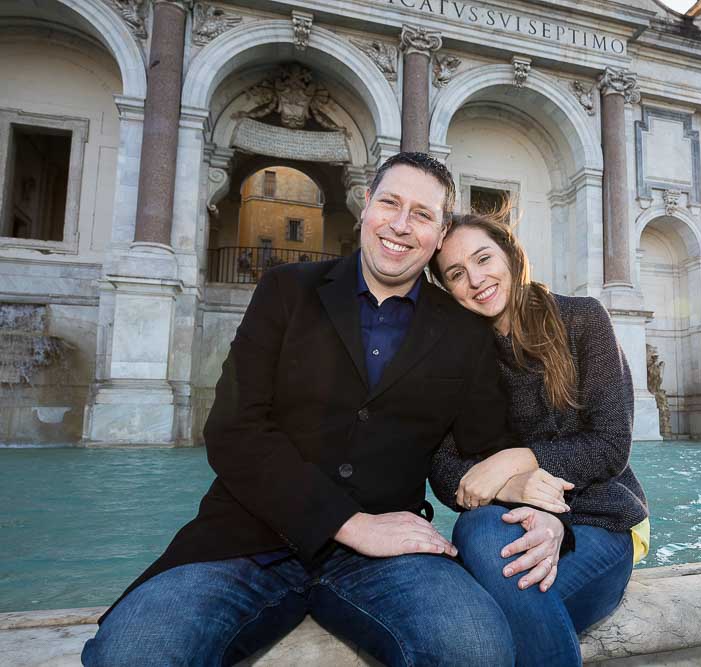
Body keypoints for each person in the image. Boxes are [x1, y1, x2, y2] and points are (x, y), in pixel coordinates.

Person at [82, 153, 557, 666]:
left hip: (389, 556)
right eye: (390, 203)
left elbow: (481, 454)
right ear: (364, 209)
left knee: (477, 649)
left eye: (422, 214)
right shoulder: (286, 291)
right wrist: (350, 523)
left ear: (440, 235)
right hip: (246, 538)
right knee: (132, 655)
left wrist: (540, 510)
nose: (401, 224)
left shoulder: (465, 332)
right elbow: (234, 430)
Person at [428, 209, 650, 666]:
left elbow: (610, 445)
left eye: (483, 258)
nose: (475, 279)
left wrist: (516, 460)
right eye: (456, 274)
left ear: (509, 254)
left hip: (601, 523)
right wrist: (515, 491)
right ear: (447, 289)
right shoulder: (456, 356)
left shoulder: (583, 319)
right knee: (475, 528)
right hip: (509, 530)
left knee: (482, 624)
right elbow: (445, 472)